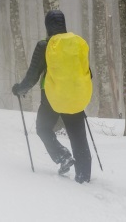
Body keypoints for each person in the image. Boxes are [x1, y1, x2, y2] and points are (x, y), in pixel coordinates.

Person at [12, 10, 92, 184]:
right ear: (64, 24)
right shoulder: (76, 43)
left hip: (52, 98)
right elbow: (87, 72)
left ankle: (62, 156)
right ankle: (84, 177)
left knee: (43, 128)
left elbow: (33, 75)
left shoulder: (45, 45)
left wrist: (20, 89)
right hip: (75, 96)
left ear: (47, 25)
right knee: (78, 137)